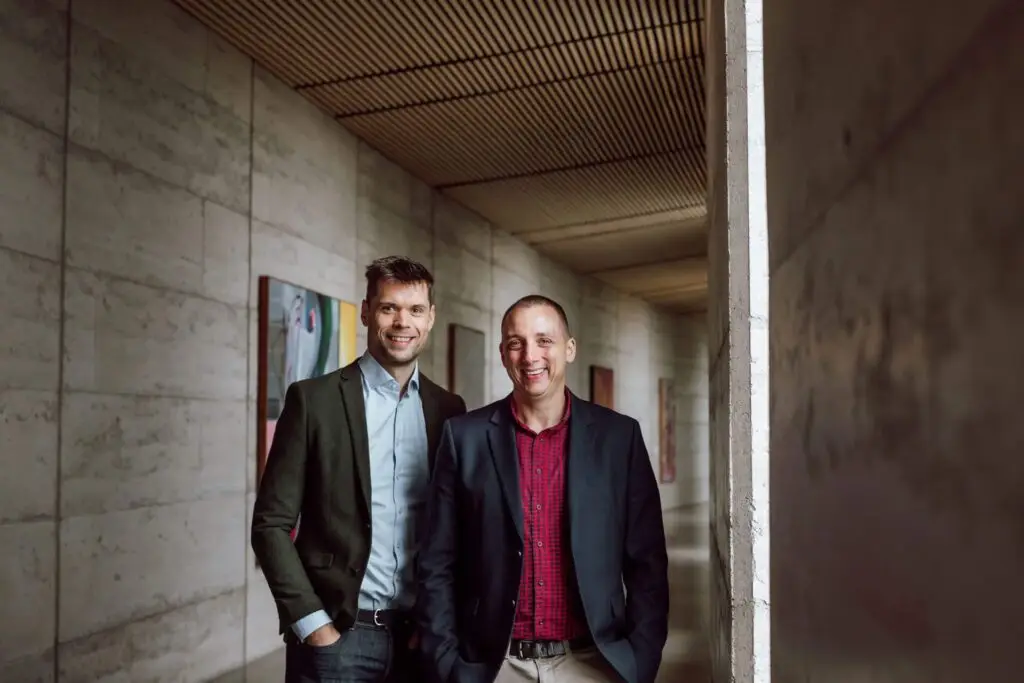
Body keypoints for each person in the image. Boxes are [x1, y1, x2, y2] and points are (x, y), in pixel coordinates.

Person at [417, 295, 669, 683]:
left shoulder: (620, 438)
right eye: (516, 343)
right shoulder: (463, 438)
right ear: (503, 354)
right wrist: (448, 663)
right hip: (495, 667)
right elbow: (437, 561)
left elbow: (647, 563)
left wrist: (640, 660)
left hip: (593, 663)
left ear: (569, 349)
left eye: (544, 340)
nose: (529, 355)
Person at [252, 256, 467, 683]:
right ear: (367, 312)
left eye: (415, 310)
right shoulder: (313, 401)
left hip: (419, 639)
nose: (402, 322)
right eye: (389, 308)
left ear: (430, 318)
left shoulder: (449, 411)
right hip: (338, 638)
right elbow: (270, 524)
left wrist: (436, 620)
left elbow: (454, 527)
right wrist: (313, 626)